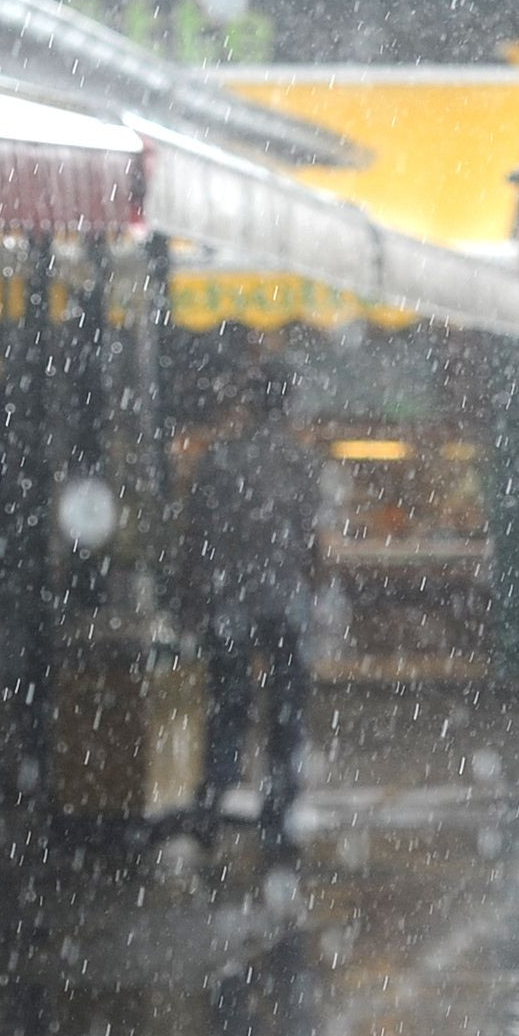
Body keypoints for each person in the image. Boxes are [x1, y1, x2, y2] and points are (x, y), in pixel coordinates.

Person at [187, 357, 323, 842]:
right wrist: (313, 587)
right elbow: (311, 542)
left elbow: (196, 534)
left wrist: (200, 592)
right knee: (286, 706)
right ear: (287, 402)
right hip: (285, 601)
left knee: (228, 703)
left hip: (231, 601)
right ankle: (279, 801)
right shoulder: (301, 462)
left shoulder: (219, 459)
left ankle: (213, 795)